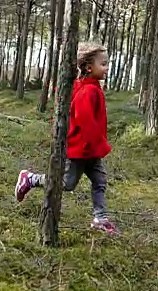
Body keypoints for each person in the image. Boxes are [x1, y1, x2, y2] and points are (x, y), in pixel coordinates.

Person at [14, 42, 116, 234]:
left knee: (99, 180)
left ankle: (100, 218)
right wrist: (100, 144)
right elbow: (85, 120)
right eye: (103, 64)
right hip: (80, 150)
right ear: (88, 67)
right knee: (67, 184)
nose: (107, 68)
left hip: (89, 151)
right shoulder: (87, 90)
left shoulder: (88, 87)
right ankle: (30, 178)